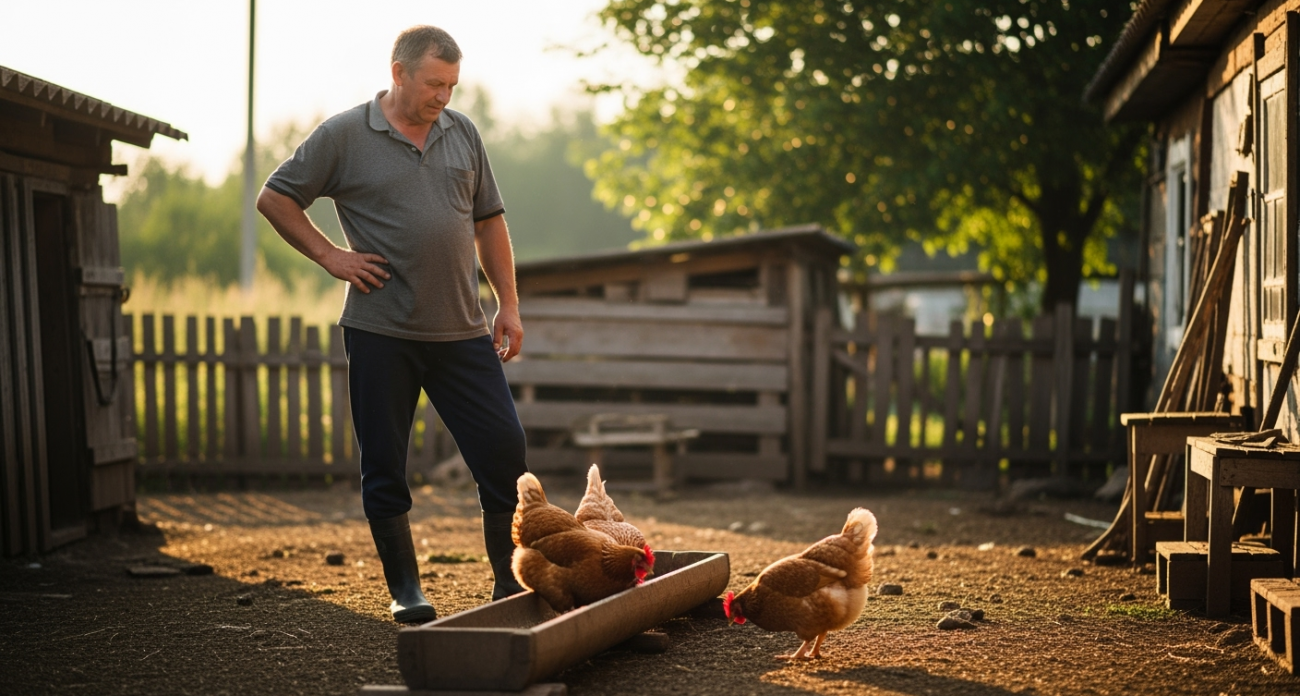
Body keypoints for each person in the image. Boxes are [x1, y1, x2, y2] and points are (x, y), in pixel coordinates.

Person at [256, 25, 527, 623]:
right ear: (399, 72)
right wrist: (331, 255)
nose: (444, 97)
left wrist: (507, 304)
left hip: (462, 330)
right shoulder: (345, 135)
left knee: (505, 453)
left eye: (452, 85)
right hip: (381, 331)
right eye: (434, 83)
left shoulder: (463, 133)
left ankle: (509, 586)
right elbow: (276, 197)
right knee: (384, 462)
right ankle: (407, 589)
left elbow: (489, 223)